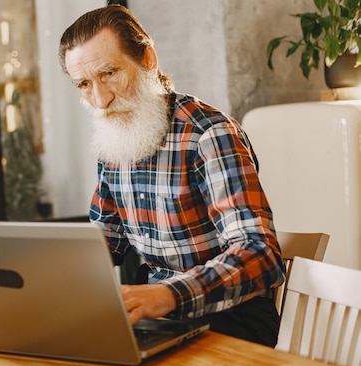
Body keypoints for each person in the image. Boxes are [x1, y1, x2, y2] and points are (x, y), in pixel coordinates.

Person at [59, 4, 285, 347]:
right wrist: (45, 277)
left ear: (147, 59)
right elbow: (105, 240)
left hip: (231, 320)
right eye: (84, 84)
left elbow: (260, 253)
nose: (100, 99)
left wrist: (168, 294)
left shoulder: (209, 134)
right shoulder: (114, 137)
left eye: (109, 74)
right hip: (158, 319)